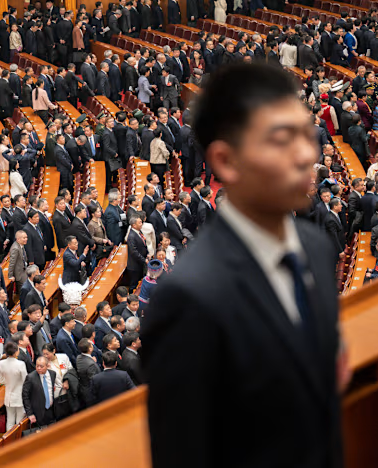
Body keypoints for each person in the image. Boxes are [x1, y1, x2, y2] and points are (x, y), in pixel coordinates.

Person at [143, 64, 345, 467]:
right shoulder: (187, 299)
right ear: (226, 160)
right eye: (282, 140)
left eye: (306, 135)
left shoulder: (316, 247)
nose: (307, 155)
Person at [0, 341, 27, 430]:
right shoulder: (21, 364)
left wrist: (8, 382)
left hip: (8, 397)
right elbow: (26, 380)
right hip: (19, 396)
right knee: (19, 421)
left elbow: (0, 380)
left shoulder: (1, 363)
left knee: (10, 421)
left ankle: (9, 441)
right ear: (16, 352)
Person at [22, 356, 57, 428]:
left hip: (51, 410)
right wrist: (30, 413)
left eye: (41, 366)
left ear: (47, 366)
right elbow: (25, 396)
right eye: (37, 366)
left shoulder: (52, 374)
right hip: (38, 413)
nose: (38, 368)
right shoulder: (30, 377)